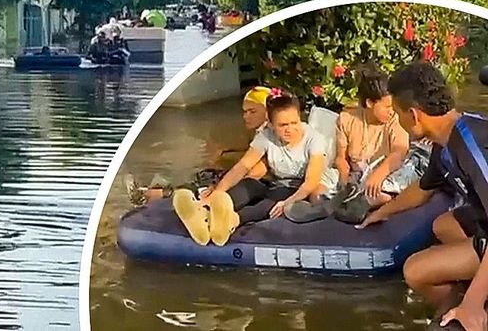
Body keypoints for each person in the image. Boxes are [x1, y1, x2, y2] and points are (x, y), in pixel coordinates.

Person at [369, 62, 488, 331]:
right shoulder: (446, 140)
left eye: (396, 113)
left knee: (415, 271)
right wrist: (381, 212)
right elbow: (423, 189)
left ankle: (475, 312)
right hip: (483, 225)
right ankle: (462, 296)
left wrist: (473, 304)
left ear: (413, 114)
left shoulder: (472, 146)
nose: (395, 120)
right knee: (444, 225)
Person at [173, 90, 333, 246]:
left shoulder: (314, 139)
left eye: (294, 122)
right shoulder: (266, 136)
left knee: (274, 200)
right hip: (275, 182)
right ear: (270, 124)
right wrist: (217, 192)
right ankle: (206, 211)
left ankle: (232, 221)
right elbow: (242, 166)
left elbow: (311, 181)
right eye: (283, 125)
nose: (289, 129)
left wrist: (287, 203)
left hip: (298, 188)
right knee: (248, 184)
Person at [126, 86, 271, 206]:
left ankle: (149, 195)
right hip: (248, 179)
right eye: (245, 111)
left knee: (200, 185)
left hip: (253, 184)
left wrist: (220, 187)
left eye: (252, 111)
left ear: (267, 112)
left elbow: (254, 170)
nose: (246, 116)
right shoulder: (260, 133)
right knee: (202, 176)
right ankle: (150, 193)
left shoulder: (266, 136)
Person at [327, 67, 430, 223]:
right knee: (329, 177)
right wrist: (344, 178)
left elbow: (399, 151)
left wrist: (379, 174)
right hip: (358, 176)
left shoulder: (394, 120)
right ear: (369, 103)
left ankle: (373, 199)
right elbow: (341, 158)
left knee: (415, 166)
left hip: (387, 173)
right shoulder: (346, 118)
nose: (391, 111)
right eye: (387, 107)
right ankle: (322, 205)